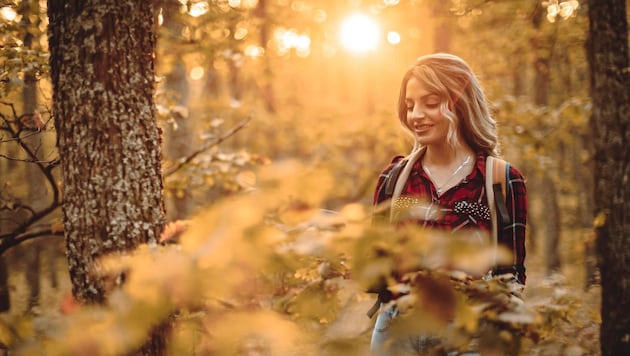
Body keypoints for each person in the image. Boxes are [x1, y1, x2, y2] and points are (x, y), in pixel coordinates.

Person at [369, 53, 527, 354]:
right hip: (397, 329)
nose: (416, 115)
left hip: (469, 332)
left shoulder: (501, 180)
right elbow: (375, 265)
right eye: (410, 105)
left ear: (461, 103)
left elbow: (512, 276)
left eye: (430, 103)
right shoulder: (394, 179)